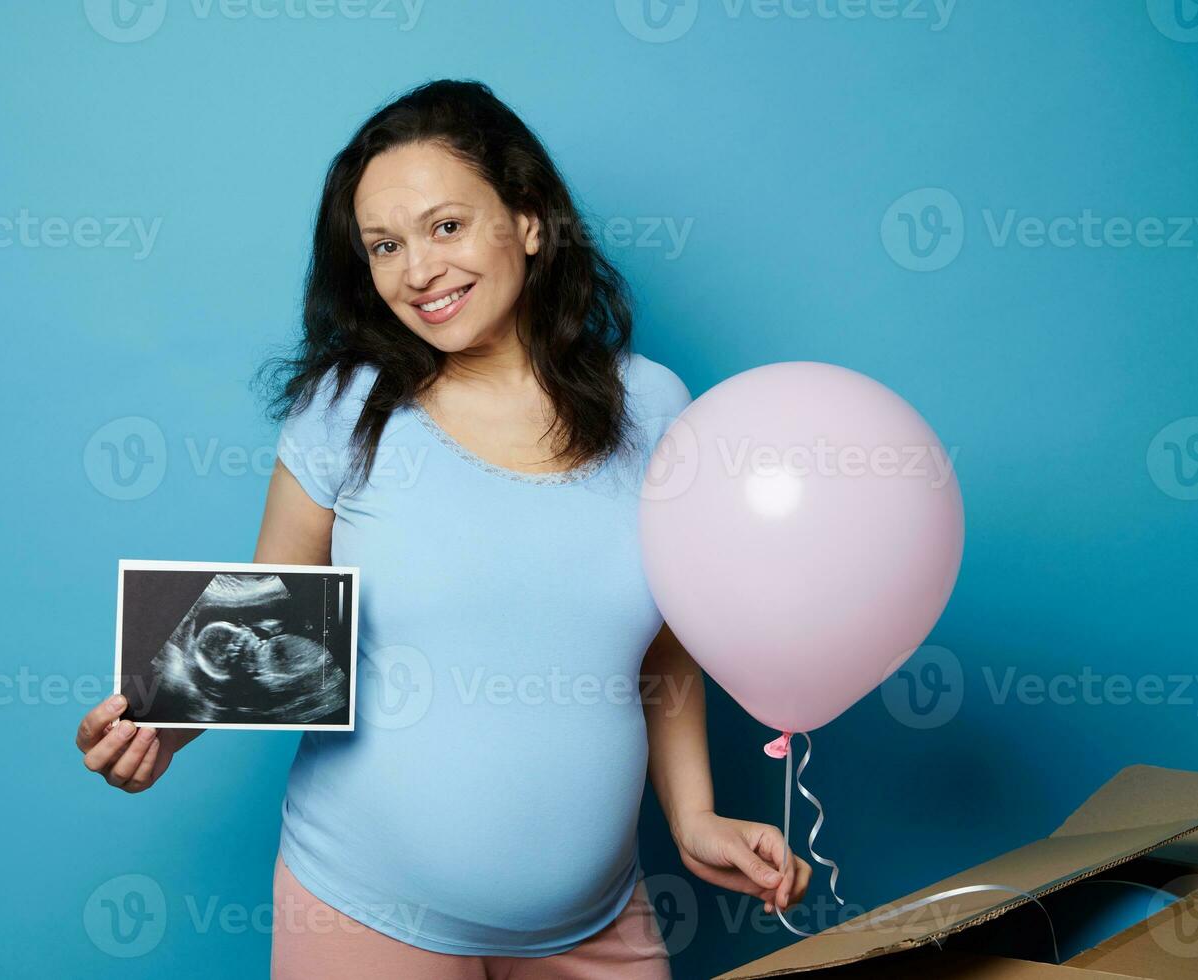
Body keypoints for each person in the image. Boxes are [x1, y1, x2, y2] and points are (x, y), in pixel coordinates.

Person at [75, 78, 811, 979]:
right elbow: (268, 629)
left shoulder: (655, 408)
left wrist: (692, 813)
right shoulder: (343, 410)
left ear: (530, 221)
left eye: (446, 227)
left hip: (594, 922)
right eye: (383, 246)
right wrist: (160, 732)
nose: (416, 271)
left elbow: (664, 643)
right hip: (361, 915)